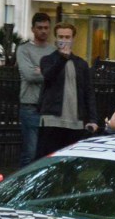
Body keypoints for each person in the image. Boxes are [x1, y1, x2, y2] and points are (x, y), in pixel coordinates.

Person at [36, 22, 98, 158]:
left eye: (67, 37)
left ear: (73, 39)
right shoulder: (47, 60)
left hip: (75, 122)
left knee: (70, 161)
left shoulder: (81, 64)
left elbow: (88, 92)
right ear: (55, 39)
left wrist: (93, 119)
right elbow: (49, 76)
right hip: (52, 119)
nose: (64, 40)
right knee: (49, 159)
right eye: (61, 37)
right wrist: (62, 59)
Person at [15, 12, 54, 166]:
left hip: (49, 108)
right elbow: (29, 75)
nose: (43, 31)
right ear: (33, 29)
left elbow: (58, 76)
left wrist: (40, 70)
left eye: (46, 28)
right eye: (40, 28)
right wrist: (48, 71)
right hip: (30, 105)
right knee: (30, 153)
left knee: (46, 153)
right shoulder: (23, 49)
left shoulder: (53, 51)